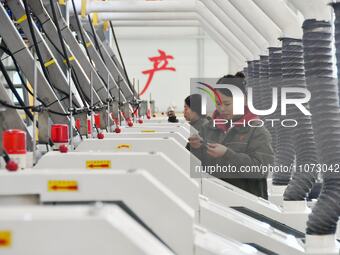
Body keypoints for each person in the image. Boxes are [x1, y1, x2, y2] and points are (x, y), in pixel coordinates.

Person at [188, 75, 274, 199]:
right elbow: (194, 165)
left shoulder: (257, 131)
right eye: (218, 103)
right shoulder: (208, 129)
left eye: (227, 104)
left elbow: (260, 171)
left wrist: (228, 154)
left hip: (247, 205)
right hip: (214, 201)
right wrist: (194, 147)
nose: (222, 109)